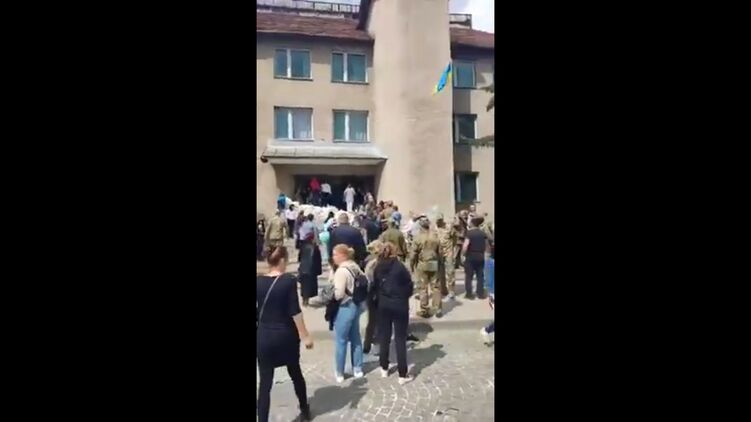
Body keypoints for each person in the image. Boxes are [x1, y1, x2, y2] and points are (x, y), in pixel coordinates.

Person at [256, 246, 313, 422]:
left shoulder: (258, 281)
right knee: (295, 373)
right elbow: (294, 311)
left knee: (265, 382)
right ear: (282, 261)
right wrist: (305, 335)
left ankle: (262, 419)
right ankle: (304, 409)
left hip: (264, 336)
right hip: (285, 336)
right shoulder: (288, 281)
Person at [372, 242, 414, 385]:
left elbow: (375, 286)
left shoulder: (378, 267)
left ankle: (384, 367)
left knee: (384, 337)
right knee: (400, 339)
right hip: (400, 304)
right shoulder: (400, 267)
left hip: (384, 304)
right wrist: (404, 295)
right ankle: (402, 374)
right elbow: (409, 285)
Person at [331, 244, 366, 382]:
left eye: (335, 254)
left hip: (344, 306)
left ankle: (340, 371)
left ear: (342, 255)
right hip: (356, 305)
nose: (333, 257)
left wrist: (330, 295)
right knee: (355, 337)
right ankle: (358, 368)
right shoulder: (354, 266)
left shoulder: (341, 271)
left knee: (341, 340)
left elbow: (339, 294)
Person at [411, 216, 442, 318]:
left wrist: (412, 265)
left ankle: (424, 309)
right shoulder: (435, 236)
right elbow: (440, 252)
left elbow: (413, 254)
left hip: (422, 264)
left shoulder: (418, 237)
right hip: (433, 262)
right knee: (436, 287)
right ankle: (437, 308)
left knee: (423, 287)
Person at [363, 240, 384, 356]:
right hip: (378, 293)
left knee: (371, 321)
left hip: (370, 294)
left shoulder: (368, 260)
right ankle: (377, 344)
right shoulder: (377, 262)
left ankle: (367, 344)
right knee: (379, 321)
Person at [462, 216, 491, 300]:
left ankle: (469, 294)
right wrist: (487, 255)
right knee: (480, 276)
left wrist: (463, 254)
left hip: (470, 256)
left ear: (472, 223)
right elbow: (487, 246)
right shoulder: (483, 233)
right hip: (480, 256)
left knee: (469, 276)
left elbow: (465, 246)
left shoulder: (469, 233)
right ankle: (480, 293)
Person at [298, 214, 322, 307]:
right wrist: (318, 271)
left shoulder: (303, 246)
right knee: (310, 285)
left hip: (303, 268)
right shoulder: (315, 248)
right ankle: (306, 301)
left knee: (304, 285)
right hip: (311, 270)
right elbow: (318, 260)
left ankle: (305, 300)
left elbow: (299, 258)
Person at [435, 213, 457, 299]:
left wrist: (451, 247)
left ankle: (451, 290)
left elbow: (454, 238)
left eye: (440, 220)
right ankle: (443, 289)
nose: (438, 222)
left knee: (450, 271)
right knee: (440, 272)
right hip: (438, 253)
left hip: (448, 252)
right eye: (437, 220)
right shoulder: (434, 228)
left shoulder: (449, 227)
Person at [481, 244, 495, 345]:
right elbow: (488, 280)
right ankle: (486, 330)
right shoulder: (490, 263)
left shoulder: (488, 263)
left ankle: (486, 330)